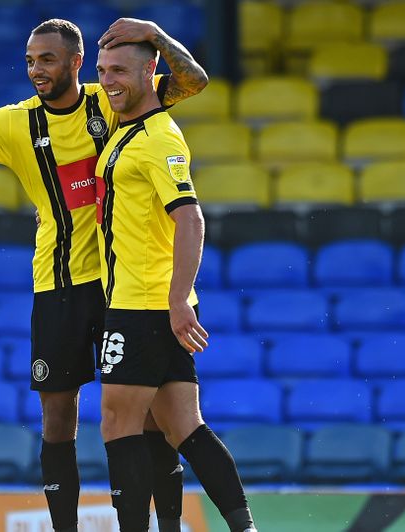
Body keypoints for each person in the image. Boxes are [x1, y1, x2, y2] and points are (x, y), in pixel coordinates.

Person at [0, 19, 206, 532]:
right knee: (58, 417)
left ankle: (163, 525)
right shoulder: (12, 123)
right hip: (59, 284)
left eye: (47, 60)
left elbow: (192, 81)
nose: (36, 70)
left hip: (121, 283)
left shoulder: (113, 97)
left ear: (75, 62)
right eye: (30, 61)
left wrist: (154, 34)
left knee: (149, 419)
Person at [93, 41, 257, 532]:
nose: (107, 80)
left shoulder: (160, 138)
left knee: (117, 423)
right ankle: (242, 527)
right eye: (101, 70)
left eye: (119, 69)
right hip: (151, 302)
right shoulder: (131, 131)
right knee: (179, 427)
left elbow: (190, 218)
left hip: (141, 303)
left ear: (151, 71)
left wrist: (176, 298)